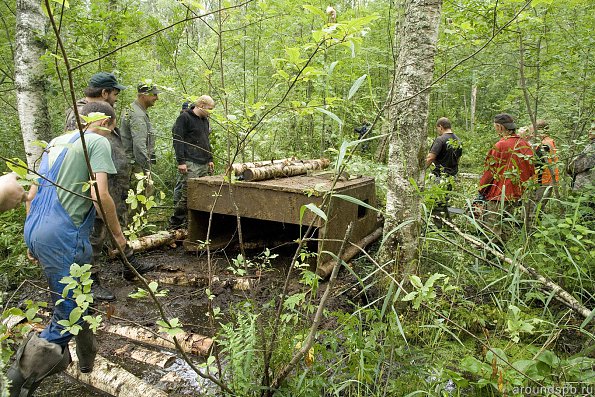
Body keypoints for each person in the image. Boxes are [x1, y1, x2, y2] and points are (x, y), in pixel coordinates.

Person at [7, 102, 128, 395]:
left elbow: (31, 194)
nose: (110, 135)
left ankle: (87, 361)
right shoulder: (96, 141)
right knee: (67, 312)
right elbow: (100, 194)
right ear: (106, 123)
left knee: (79, 297)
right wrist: (118, 235)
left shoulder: (54, 142)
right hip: (63, 235)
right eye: (111, 128)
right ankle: (14, 384)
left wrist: (31, 235)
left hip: (38, 227)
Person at [65, 72, 131, 301]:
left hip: (109, 186)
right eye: (114, 93)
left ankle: (128, 265)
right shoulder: (81, 114)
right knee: (92, 236)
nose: (115, 97)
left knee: (110, 230)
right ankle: (89, 281)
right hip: (93, 190)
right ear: (104, 93)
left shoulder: (102, 113)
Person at [477, 113, 535, 241]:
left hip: (498, 195)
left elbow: (489, 172)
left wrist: (481, 190)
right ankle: (502, 257)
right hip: (516, 194)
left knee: (492, 229)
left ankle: (491, 258)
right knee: (506, 228)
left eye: (495, 127)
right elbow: (532, 170)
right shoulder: (525, 145)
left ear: (500, 127)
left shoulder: (500, 145)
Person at [169, 95, 215, 229]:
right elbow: (178, 141)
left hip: (203, 162)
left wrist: (210, 159)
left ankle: (193, 225)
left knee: (202, 194)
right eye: (210, 109)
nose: (211, 112)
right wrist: (181, 161)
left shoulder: (205, 120)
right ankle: (174, 225)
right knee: (187, 195)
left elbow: (206, 141)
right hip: (190, 162)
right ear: (201, 105)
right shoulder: (184, 118)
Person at [119, 82, 160, 217]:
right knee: (138, 202)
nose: (157, 98)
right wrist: (146, 168)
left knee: (132, 202)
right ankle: (134, 234)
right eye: (154, 95)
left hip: (131, 163)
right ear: (143, 95)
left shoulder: (133, 109)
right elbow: (139, 144)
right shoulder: (137, 115)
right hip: (136, 166)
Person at [425, 117, 463, 223]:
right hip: (452, 176)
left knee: (436, 202)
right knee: (447, 201)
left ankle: (438, 226)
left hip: (439, 176)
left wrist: (422, 169)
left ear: (440, 127)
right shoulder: (458, 140)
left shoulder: (440, 139)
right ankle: (449, 223)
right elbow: (458, 159)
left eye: (438, 129)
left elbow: (430, 157)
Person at [530, 119, 559, 209]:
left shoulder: (545, 144)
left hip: (543, 182)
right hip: (545, 181)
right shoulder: (548, 141)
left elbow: (534, 163)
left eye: (532, 131)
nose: (531, 134)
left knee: (534, 211)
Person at [567, 121, 595, 192]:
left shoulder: (593, 147)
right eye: (590, 129)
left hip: (585, 188)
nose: (590, 131)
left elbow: (577, 166)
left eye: (593, 129)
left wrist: (569, 168)